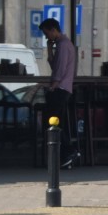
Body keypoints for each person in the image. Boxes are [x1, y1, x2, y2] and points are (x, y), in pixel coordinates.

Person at [39, 17, 78, 168]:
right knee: (56, 122)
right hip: (64, 89)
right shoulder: (63, 45)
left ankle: (68, 151)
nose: (46, 36)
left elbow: (59, 69)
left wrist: (52, 86)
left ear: (53, 30)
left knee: (52, 123)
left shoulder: (63, 45)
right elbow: (54, 63)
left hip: (60, 89)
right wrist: (49, 48)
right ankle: (66, 153)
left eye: (46, 33)